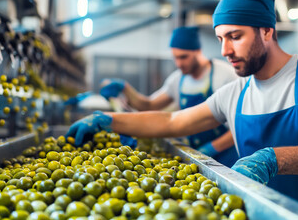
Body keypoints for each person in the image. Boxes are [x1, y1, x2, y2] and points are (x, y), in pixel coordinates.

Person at [66, 0, 298, 220]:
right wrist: (109, 119)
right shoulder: (234, 93)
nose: (224, 51)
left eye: (235, 37)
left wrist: (273, 159)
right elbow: (171, 121)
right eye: (221, 39)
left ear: (267, 31)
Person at [98, 26, 239, 167]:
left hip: (226, 155)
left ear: (198, 51)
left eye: (184, 57)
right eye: (175, 58)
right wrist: (125, 89)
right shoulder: (178, 79)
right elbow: (149, 105)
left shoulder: (225, 75)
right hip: (198, 155)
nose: (179, 63)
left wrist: (211, 148)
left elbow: (238, 126)